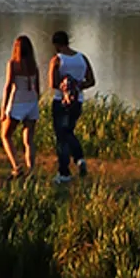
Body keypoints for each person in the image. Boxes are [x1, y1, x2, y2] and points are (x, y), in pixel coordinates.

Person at [48, 30, 95, 184]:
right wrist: (77, 85)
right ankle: (79, 160)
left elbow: (52, 83)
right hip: (78, 101)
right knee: (69, 131)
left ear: (56, 44)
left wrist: (64, 86)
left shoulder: (57, 60)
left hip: (60, 101)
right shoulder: (82, 58)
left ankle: (65, 172)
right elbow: (91, 81)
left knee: (62, 136)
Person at [0, 35, 41, 179]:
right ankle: (31, 171)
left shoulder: (13, 64)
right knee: (29, 141)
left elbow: (8, 86)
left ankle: (16, 166)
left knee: (6, 135)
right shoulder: (34, 66)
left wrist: (3, 109)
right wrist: (36, 102)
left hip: (17, 102)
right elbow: (38, 89)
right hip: (32, 103)